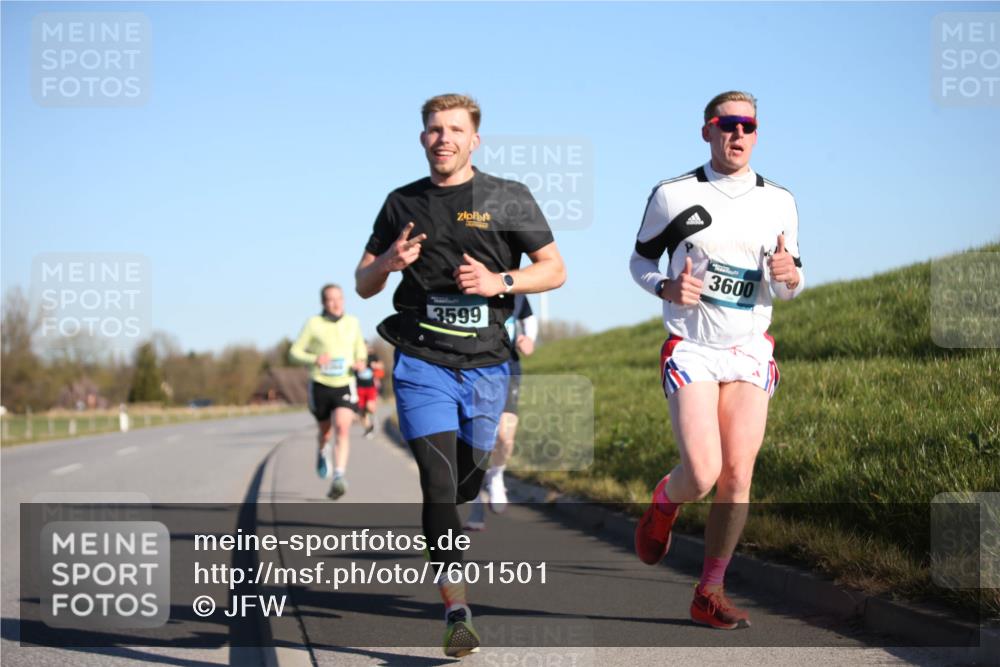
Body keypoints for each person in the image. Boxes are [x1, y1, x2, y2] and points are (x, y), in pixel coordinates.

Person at [355, 93, 565, 657]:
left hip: (487, 365)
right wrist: (387, 264)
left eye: (453, 129)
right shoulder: (401, 203)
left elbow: (554, 269)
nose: (442, 138)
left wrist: (500, 282)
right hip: (422, 360)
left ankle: (451, 549)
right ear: (422, 138)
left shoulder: (508, 198)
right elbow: (363, 281)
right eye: (432, 129)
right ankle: (456, 608)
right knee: (438, 482)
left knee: (467, 481)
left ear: (474, 139)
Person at [629, 91, 804, 630]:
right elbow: (640, 260)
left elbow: (791, 281)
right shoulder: (672, 194)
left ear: (757, 133)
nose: (738, 134)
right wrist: (665, 286)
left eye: (748, 125)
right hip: (693, 347)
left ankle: (710, 590)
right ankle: (665, 500)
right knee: (702, 473)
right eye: (727, 124)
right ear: (707, 131)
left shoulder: (780, 201)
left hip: (750, 347)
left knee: (738, 473)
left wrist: (790, 278)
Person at [464, 294, 537, 530]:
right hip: (473, 369)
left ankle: (496, 475)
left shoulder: (516, 288)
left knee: (505, 436)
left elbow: (528, 317)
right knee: (476, 436)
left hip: (508, 367)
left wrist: (529, 338)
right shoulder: (471, 287)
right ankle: (473, 494)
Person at [289, 283, 368, 500]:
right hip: (321, 384)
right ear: (323, 302)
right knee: (325, 431)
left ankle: (339, 477)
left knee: (342, 428)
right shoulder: (313, 324)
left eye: (339, 298)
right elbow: (294, 352)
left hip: (345, 383)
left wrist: (360, 362)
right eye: (331, 299)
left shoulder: (353, 323)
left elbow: (360, 352)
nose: (336, 303)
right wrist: (314, 358)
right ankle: (323, 451)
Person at [355, 343, 384, 438]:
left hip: (370, 387)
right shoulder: (355, 357)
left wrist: (375, 365)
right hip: (358, 388)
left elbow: (381, 366)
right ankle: (369, 428)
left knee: (370, 406)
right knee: (361, 412)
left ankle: (374, 419)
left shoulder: (371, 356)